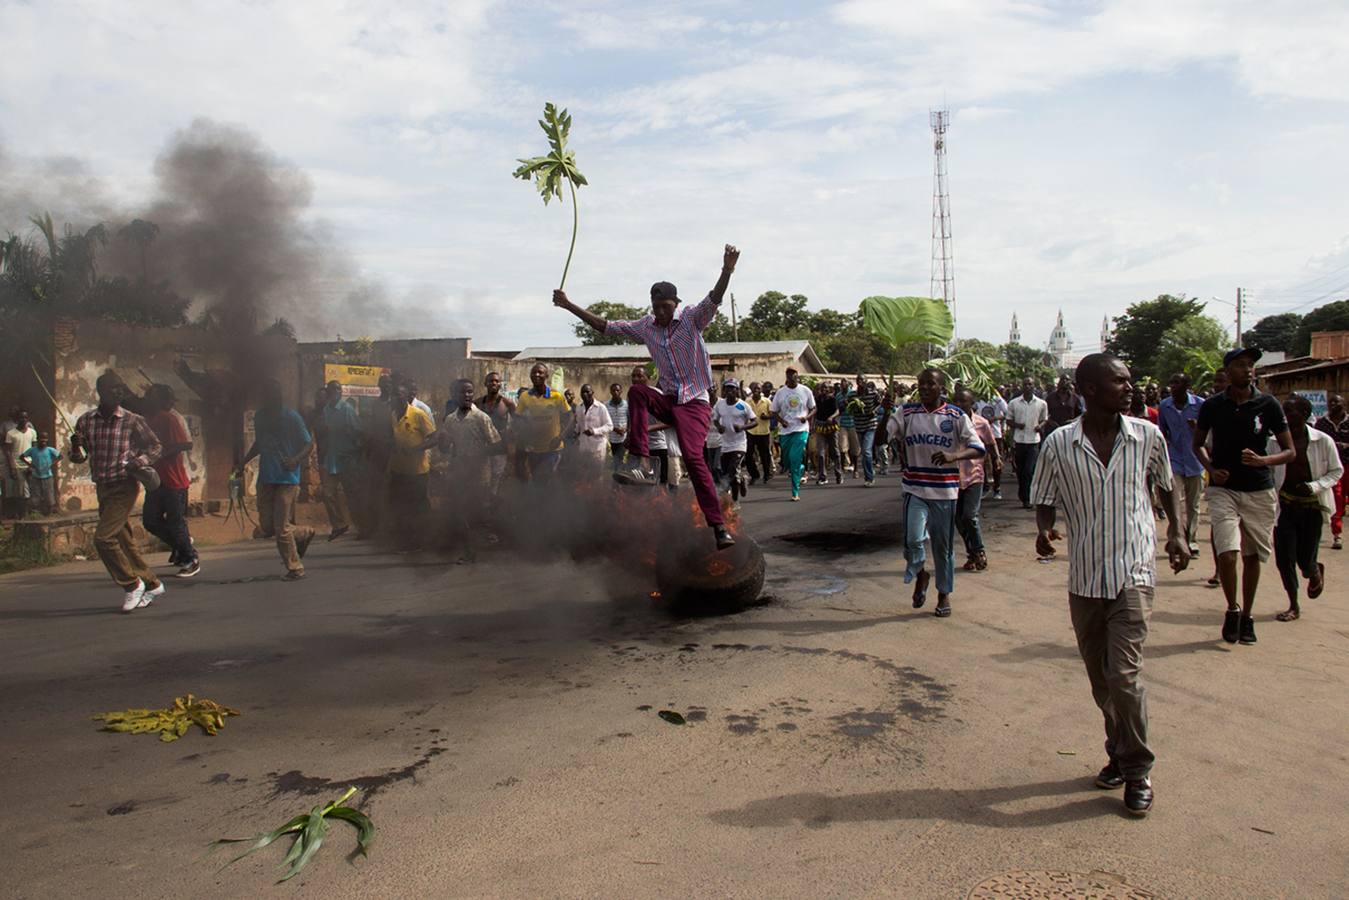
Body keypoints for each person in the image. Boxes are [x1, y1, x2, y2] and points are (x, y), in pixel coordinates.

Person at [1030, 352, 1189, 818]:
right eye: (1120, 380)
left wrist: (1177, 533)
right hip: (1084, 577)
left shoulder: (1146, 436)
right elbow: (1043, 498)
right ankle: (1118, 749)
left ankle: (1137, 770)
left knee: (1124, 674)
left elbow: (1165, 486)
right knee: (1101, 680)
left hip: (1134, 572)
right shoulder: (1059, 443)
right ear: (1091, 389)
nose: (1131, 387)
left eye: (1130, 379)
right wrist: (1044, 531)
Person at [553, 244, 741, 549]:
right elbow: (606, 327)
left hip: (693, 403)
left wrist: (727, 270)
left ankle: (718, 526)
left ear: (675, 303)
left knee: (694, 459)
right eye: (657, 307)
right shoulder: (646, 326)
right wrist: (569, 305)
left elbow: (715, 298)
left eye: (666, 307)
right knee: (638, 391)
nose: (661, 313)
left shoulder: (693, 319)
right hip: (668, 399)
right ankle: (641, 461)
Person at [1193, 348, 1295, 645]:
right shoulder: (1213, 405)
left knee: (1253, 556)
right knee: (1227, 552)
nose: (1248, 370)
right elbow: (1197, 443)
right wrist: (1211, 468)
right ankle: (1232, 608)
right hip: (1224, 489)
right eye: (1241, 365)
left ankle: (1247, 615)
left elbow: (1290, 452)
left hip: (1259, 491)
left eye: (1250, 365)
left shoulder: (1269, 404)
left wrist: (1264, 461)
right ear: (1227, 371)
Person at [890, 369, 984, 617]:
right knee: (912, 541)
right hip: (915, 488)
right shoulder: (907, 412)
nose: (924, 388)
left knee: (943, 549)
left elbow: (978, 449)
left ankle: (944, 594)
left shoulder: (955, 416)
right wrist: (883, 414)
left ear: (941, 387)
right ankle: (921, 574)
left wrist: (954, 455)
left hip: (944, 492)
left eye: (930, 384)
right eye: (921, 384)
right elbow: (883, 437)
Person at [69, 371, 166, 611]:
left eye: (122, 389)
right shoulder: (86, 421)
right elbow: (79, 457)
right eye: (115, 388)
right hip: (103, 486)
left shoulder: (132, 420)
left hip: (124, 485)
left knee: (103, 538)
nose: (120, 392)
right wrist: (75, 446)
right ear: (100, 391)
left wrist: (141, 461)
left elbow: (155, 446)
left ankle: (131, 584)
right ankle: (152, 584)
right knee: (124, 541)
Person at [1270, 394, 1342, 622]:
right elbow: (1270, 474)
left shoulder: (1323, 440)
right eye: (1284, 413)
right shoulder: (1274, 442)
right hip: (1285, 507)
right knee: (1284, 559)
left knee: (1304, 560)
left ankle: (1313, 570)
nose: (1286, 418)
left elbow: (1336, 471)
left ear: (1304, 414)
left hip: (1312, 508)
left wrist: (1313, 487)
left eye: (1290, 413)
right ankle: (1293, 604)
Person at [239, 379, 316, 580]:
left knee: (281, 527)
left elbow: (308, 445)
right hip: (266, 475)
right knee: (267, 526)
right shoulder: (260, 417)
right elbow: (260, 442)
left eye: (276, 393)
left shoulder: (291, 417)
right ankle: (304, 532)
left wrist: (295, 460)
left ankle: (295, 567)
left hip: (287, 478)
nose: (273, 397)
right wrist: (243, 462)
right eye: (268, 393)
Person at [437, 378, 502, 562]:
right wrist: (443, 444)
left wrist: (479, 454)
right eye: (463, 392)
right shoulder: (450, 420)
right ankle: (469, 550)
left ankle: (480, 545)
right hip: (459, 471)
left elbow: (496, 445)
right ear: (455, 395)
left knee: (475, 512)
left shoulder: (481, 418)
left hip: (479, 474)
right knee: (460, 511)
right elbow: (445, 447)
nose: (467, 395)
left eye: (470, 392)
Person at [141, 384, 200, 577]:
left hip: (173, 480)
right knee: (150, 521)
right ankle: (184, 546)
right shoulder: (145, 420)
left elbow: (183, 443)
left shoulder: (169, 418)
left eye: (151, 396)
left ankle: (191, 559)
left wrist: (159, 454)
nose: (147, 398)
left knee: (176, 522)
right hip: (155, 480)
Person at [1157, 373, 1205, 555]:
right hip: (1175, 459)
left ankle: (1191, 539)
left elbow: (1208, 430)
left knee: (1193, 505)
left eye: (1177, 382)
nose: (1173, 386)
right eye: (1171, 382)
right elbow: (1163, 431)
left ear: (1187, 385)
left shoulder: (1200, 405)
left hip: (1195, 460)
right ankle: (1175, 536)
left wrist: (1197, 427)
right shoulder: (1165, 406)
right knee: (1174, 500)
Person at [387, 380, 436, 551]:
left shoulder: (418, 414)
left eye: (398, 394)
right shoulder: (392, 415)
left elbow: (434, 438)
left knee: (417, 507)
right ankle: (404, 541)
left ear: (407, 397)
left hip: (417, 471)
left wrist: (417, 449)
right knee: (400, 506)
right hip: (398, 470)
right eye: (393, 395)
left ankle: (422, 541)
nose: (394, 398)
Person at [953, 388, 999, 571]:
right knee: (958, 519)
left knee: (969, 516)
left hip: (974, 475)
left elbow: (991, 443)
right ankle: (971, 552)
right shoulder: (948, 423)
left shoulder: (981, 423)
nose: (958, 405)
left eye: (962, 401)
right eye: (955, 401)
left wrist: (997, 458)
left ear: (972, 404)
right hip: (954, 477)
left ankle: (979, 550)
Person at [317, 380, 366, 540]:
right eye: (333, 389)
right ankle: (339, 524)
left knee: (353, 495)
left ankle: (362, 527)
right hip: (332, 460)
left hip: (347, 459)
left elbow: (358, 432)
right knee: (327, 493)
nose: (336, 392)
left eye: (339, 389)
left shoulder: (347, 409)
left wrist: (355, 452)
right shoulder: (326, 410)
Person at [515, 363, 570, 481]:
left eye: (540, 372)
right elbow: (518, 419)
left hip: (553, 449)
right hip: (533, 449)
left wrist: (560, 437)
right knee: (536, 480)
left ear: (547, 376)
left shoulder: (557, 396)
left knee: (549, 479)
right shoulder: (524, 397)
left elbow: (570, 417)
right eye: (534, 372)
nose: (536, 375)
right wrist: (524, 438)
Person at [770, 367, 816, 501]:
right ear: (786, 377)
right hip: (785, 430)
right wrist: (782, 421)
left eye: (793, 375)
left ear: (797, 376)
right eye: (789, 375)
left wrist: (806, 418)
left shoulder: (805, 390)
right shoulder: (781, 392)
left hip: (801, 429)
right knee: (787, 461)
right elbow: (773, 411)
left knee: (794, 458)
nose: (791, 377)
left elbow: (813, 408)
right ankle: (801, 468)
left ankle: (795, 492)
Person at [1006, 377, 1049, 508]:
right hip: (1019, 441)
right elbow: (1008, 420)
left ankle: (1029, 497)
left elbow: (1045, 419)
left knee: (1029, 471)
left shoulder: (1041, 403)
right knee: (1021, 471)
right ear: (1022, 386)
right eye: (1025, 384)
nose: (1028, 386)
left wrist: (1040, 426)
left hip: (1033, 441)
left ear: (1034, 386)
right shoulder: (1014, 403)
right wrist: (1017, 425)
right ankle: (1023, 495)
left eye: (1030, 384)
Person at [713, 380, 756, 508]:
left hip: (739, 444)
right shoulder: (720, 405)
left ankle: (735, 501)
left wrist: (743, 427)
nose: (730, 391)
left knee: (731, 472)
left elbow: (755, 421)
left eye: (733, 389)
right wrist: (719, 427)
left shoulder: (743, 406)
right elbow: (715, 419)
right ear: (724, 391)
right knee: (727, 473)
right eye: (727, 389)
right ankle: (742, 479)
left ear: (737, 390)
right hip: (725, 445)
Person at [1313, 393, 1349, 550]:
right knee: (1338, 497)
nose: (1333, 404)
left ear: (1344, 404)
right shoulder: (1321, 424)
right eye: (1330, 402)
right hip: (1333, 468)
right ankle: (1337, 533)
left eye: (1337, 402)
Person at [476, 372, 516, 495]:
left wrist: (511, 438)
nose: (494, 383)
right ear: (485, 383)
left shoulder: (508, 403)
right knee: (482, 479)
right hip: (483, 448)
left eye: (497, 381)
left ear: (500, 385)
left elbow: (518, 422)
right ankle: (483, 503)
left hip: (500, 447)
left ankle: (494, 504)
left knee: (497, 478)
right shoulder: (477, 403)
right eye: (491, 381)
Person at [570, 383, 613, 480]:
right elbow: (579, 424)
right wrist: (575, 432)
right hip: (584, 446)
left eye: (587, 392)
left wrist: (594, 431)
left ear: (592, 393)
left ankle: (597, 493)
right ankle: (586, 493)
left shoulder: (601, 407)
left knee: (597, 474)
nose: (585, 394)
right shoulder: (579, 408)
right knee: (584, 472)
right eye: (583, 392)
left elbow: (610, 426)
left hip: (597, 447)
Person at [3, 409, 37, 519]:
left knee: (29, 489)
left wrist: (32, 464)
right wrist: (12, 466)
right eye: (21, 417)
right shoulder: (11, 433)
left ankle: (27, 513)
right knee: (21, 490)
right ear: (17, 419)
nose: (24, 420)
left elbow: (34, 449)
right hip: (17, 465)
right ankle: (22, 515)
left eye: (26, 417)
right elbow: (8, 451)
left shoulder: (32, 432)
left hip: (29, 465)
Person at [978, 389, 1008, 499]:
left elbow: (1007, 413)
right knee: (982, 461)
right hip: (980, 435)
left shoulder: (997, 400)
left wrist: (994, 418)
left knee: (996, 461)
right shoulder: (978, 401)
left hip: (995, 434)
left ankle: (997, 487)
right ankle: (985, 486)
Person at [20, 432, 61, 515]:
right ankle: (35, 512)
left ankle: (49, 512)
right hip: (36, 476)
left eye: (45, 440)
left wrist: (52, 464)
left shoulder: (50, 450)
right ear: (38, 440)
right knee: (35, 494)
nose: (43, 441)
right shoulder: (32, 450)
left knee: (49, 494)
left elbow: (60, 456)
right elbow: (22, 456)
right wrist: (30, 465)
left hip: (48, 476)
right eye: (41, 439)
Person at [851, 377, 881, 486]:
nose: (860, 382)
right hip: (859, 425)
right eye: (858, 380)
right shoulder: (853, 395)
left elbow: (879, 403)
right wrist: (852, 405)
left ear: (866, 381)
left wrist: (874, 411)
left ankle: (869, 477)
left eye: (862, 380)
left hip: (870, 425)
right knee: (864, 452)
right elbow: (846, 405)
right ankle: (868, 473)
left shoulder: (873, 393)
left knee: (866, 451)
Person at [744, 382, 773, 485]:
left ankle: (767, 474)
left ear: (761, 390)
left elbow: (773, 414)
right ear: (751, 390)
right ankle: (754, 474)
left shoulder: (767, 401)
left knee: (765, 455)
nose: (757, 390)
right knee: (748, 454)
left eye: (759, 388)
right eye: (755, 388)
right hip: (751, 431)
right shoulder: (747, 401)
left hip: (763, 432)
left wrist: (767, 417)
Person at [813, 384, 842, 485]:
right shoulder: (817, 399)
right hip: (820, 427)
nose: (824, 390)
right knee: (820, 453)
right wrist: (813, 425)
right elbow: (815, 411)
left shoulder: (832, 399)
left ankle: (838, 474)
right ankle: (822, 476)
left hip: (831, 427)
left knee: (835, 451)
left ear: (829, 389)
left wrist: (832, 417)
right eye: (822, 388)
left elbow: (838, 411)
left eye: (826, 388)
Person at [836, 380, 860, 476]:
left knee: (855, 448)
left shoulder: (853, 393)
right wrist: (843, 405)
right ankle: (842, 467)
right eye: (842, 385)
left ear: (848, 385)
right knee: (842, 447)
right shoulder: (838, 396)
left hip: (853, 423)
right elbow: (838, 409)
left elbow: (858, 406)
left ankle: (856, 469)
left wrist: (851, 402)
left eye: (844, 384)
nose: (843, 386)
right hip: (843, 423)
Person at [703, 387, 724, 490]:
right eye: (709, 388)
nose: (711, 390)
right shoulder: (704, 404)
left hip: (722, 439)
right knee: (711, 468)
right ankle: (718, 486)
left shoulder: (722, 403)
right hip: (708, 440)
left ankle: (724, 485)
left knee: (717, 466)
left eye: (713, 387)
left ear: (716, 389)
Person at [606, 382, 628, 471]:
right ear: (610, 392)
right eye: (613, 390)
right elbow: (606, 421)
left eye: (617, 390)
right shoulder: (606, 405)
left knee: (620, 459)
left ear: (621, 391)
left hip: (624, 438)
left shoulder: (626, 405)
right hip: (612, 438)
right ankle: (617, 478)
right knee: (615, 459)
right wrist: (615, 429)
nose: (615, 392)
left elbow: (630, 419)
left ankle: (619, 477)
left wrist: (625, 429)